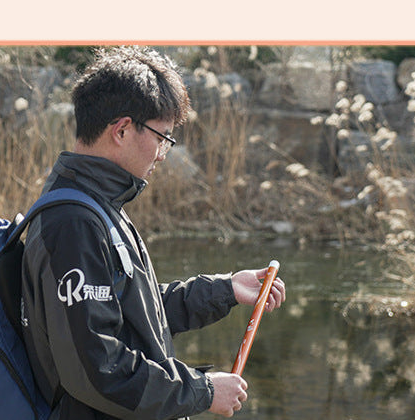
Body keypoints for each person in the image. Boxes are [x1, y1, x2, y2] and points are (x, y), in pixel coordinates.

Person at [21, 46, 286, 420]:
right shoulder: (73, 222)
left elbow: (133, 313)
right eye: (163, 137)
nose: (163, 153)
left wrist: (224, 290)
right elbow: (98, 370)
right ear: (122, 130)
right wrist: (203, 390)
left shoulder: (98, 205)